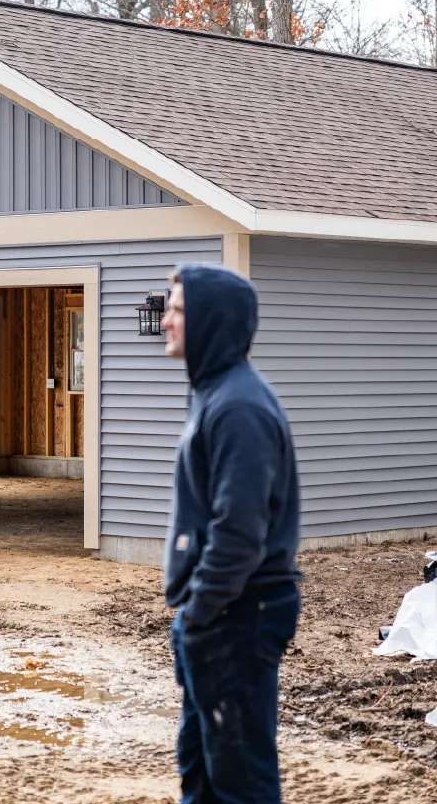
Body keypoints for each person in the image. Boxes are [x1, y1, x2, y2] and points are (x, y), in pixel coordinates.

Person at [161, 264, 301, 804]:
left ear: (209, 322)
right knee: (202, 775)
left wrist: (199, 610)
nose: (166, 321)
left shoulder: (239, 406)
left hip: (237, 615)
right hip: (218, 615)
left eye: (177, 310)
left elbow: (239, 531)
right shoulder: (216, 395)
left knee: (241, 782)